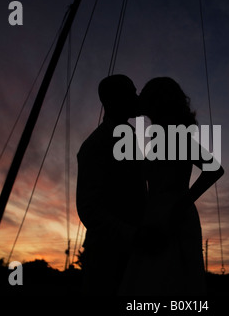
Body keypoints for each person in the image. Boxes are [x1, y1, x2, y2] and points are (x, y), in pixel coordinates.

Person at [119, 77, 224, 295]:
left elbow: (214, 169)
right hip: (155, 213)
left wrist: (181, 205)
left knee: (170, 279)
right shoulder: (158, 137)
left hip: (176, 215)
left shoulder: (178, 137)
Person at [76, 74, 147, 295]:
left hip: (132, 252)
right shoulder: (95, 145)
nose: (137, 98)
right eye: (131, 93)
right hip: (107, 257)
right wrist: (132, 235)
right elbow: (88, 208)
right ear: (112, 100)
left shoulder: (129, 138)